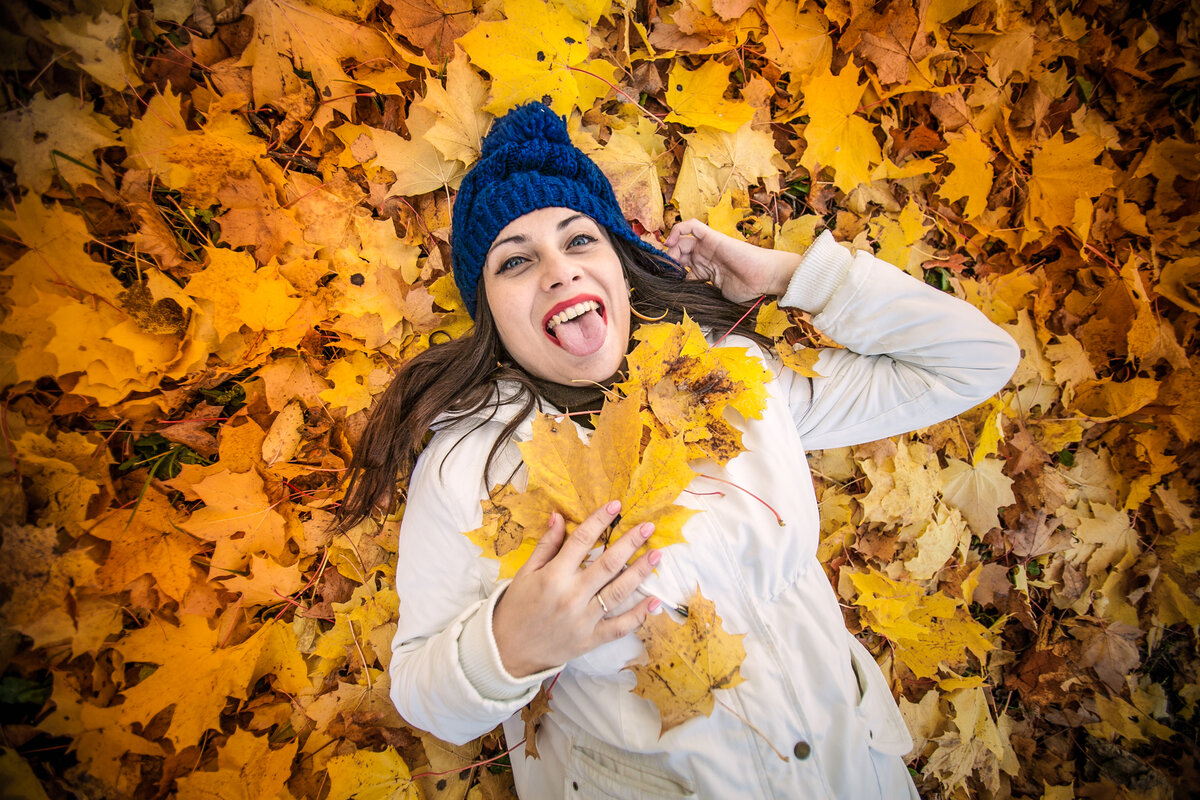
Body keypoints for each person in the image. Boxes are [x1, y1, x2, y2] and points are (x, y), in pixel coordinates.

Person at [337, 102, 1020, 799]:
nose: (558, 271)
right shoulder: (469, 465)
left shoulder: (725, 377)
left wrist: (792, 278)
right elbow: (424, 697)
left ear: (620, 265)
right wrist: (509, 645)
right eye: (516, 261)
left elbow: (976, 360)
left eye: (579, 241)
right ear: (488, 313)